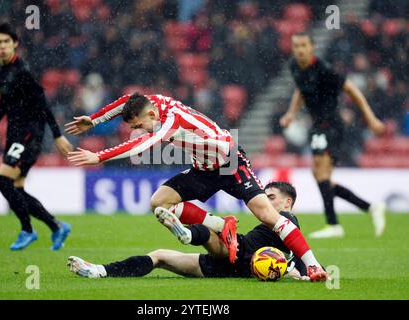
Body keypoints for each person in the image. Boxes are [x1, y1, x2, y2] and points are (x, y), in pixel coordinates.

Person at [66, 93, 327, 281]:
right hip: (203, 169)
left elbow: (140, 146)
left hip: (229, 163)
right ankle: (220, 225)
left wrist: (99, 156)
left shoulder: (169, 121)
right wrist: (94, 119)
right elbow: (125, 102)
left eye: (138, 126)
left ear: (151, 116)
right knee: (159, 202)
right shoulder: (150, 103)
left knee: (268, 215)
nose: (137, 130)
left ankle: (314, 266)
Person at [67, 181, 309, 281]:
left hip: (240, 252)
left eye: (272, 198)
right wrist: (298, 270)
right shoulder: (281, 226)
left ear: (287, 203)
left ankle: (188, 234)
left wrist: (301, 268)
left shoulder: (287, 219)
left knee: (213, 231)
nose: (266, 203)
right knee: (160, 255)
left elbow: (297, 250)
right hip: (231, 268)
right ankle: (99, 270)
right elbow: (297, 256)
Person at [280, 32, 387, 239]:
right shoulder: (294, 66)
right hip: (318, 125)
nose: (299, 50)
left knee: (320, 173)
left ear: (311, 47)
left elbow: (352, 90)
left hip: (331, 125)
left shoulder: (323, 69)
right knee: (322, 177)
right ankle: (370, 207)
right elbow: (300, 90)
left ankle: (334, 224)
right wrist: (291, 113)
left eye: (303, 45)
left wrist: (371, 119)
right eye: (296, 46)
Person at [0, 23, 73, 250]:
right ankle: (56, 226)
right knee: (17, 189)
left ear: (14, 44)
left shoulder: (23, 71)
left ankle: (27, 230)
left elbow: (43, 103)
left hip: (29, 133)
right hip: (14, 133)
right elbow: (5, 100)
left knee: (3, 182)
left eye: (6, 42)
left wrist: (57, 135)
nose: (2, 46)